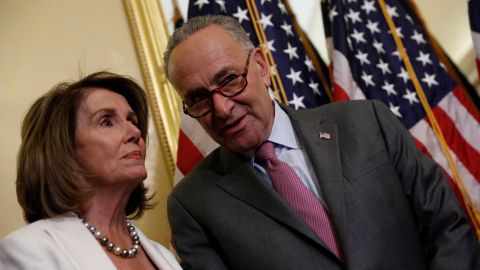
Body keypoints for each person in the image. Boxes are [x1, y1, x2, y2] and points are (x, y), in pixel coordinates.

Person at [163, 15, 480, 270]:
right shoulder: (193, 206)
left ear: (261, 66)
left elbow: (447, 229)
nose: (222, 108)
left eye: (230, 79)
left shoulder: (367, 122)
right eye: (199, 98)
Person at [0, 71, 182, 270]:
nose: (135, 132)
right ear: (64, 150)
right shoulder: (29, 251)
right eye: (106, 122)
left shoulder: (166, 257)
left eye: (133, 121)